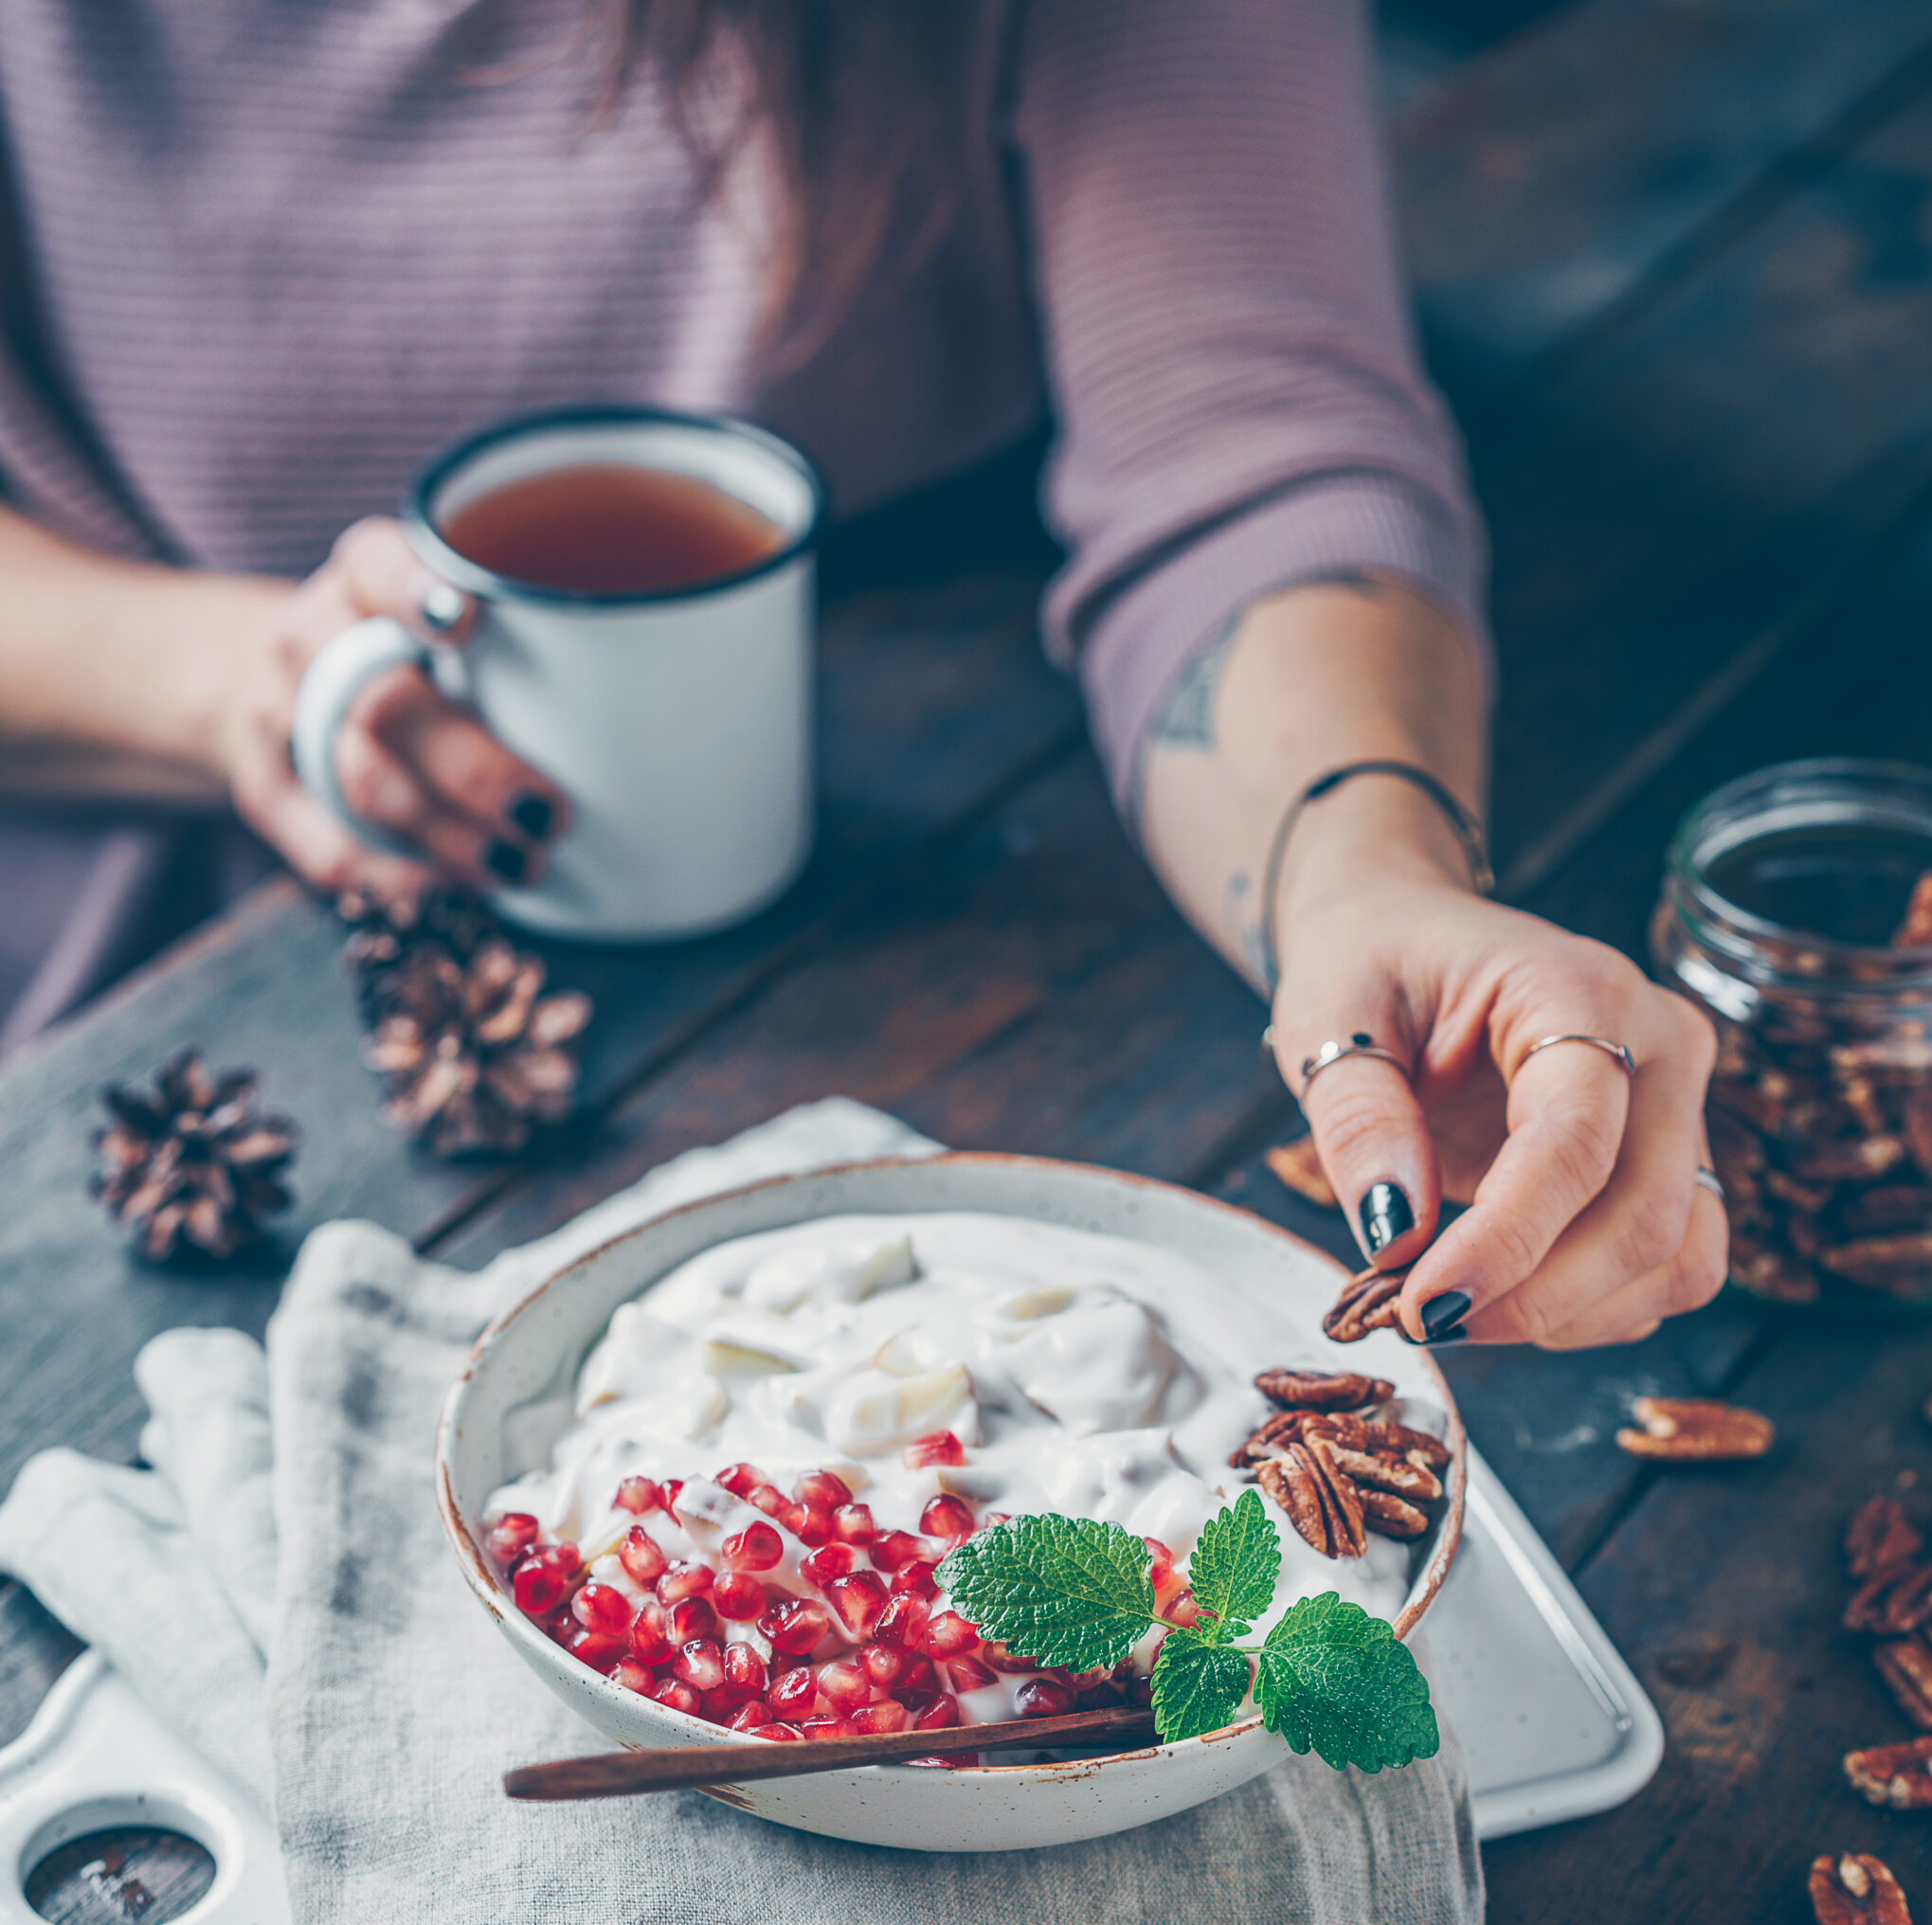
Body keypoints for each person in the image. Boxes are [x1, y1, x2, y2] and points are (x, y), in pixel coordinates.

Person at [0, 0, 1723, 1349]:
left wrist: (1363, 878)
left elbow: (1242, 449)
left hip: (915, 922)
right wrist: (237, 682)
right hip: (149, 1010)